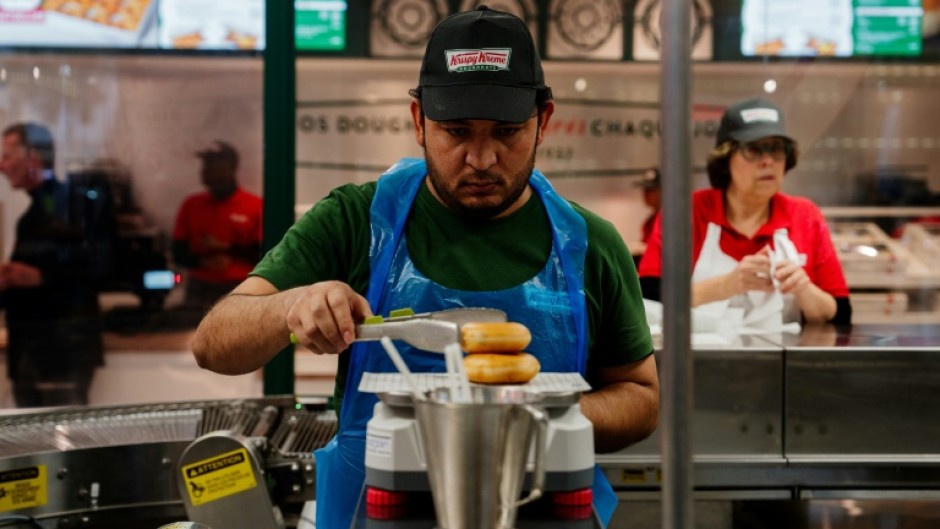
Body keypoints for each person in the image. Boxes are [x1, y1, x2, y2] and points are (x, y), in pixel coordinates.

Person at [191, 6, 659, 528]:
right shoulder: (354, 221)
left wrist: (536, 419)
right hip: (375, 512)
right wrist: (288, 306)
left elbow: (640, 396)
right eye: (456, 131)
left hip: (542, 511)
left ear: (542, 121)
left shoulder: (588, 244)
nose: (481, 159)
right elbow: (213, 343)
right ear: (418, 121)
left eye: (506, 132)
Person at [638, 97, 852, 328]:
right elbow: (648, 296)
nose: (768, 161)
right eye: (753, 150)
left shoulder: (805, 215)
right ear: (725, 158)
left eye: (776, 149)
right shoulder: (688, 212)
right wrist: (725, 286)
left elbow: (841, 313)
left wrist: (804, 290)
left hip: (785, 361)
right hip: (701, 360)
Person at [0, 122, 104, 407]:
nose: (2, 165)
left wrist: (42, 277)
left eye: (8, 156)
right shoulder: (33, 215)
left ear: (32, 159)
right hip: (31, 349)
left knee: (64, 446)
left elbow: (100, 268)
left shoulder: (71, 206)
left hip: (62, 351)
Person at [172, 140, 262, 313]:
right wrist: (204, 262)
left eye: (214, 164)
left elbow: (264, 254)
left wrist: (227, 249)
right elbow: (178, 253)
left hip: (242, 286)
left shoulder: (255, 205)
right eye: (206, 164)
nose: (207, 170)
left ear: (231, 168)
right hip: (200, 288)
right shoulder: (191, 205)